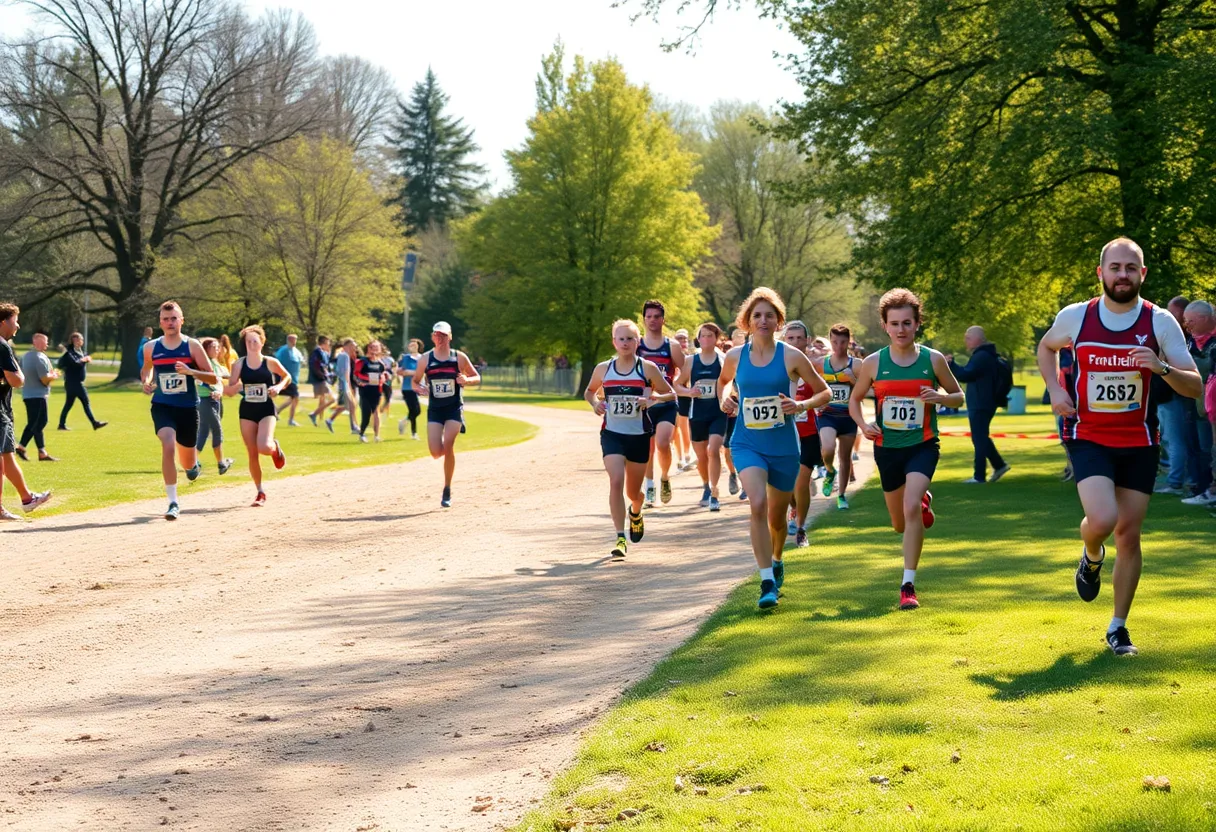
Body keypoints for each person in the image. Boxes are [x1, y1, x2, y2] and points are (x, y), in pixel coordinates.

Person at [1037, 237, 1201, 656]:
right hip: (1088, 434)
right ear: (1101, 273)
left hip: (1139, 440)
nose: (1122, 275)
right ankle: (1091, 554)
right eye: (1115, 267)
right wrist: (1056, 389)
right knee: (1104, 518)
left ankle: (1118, 626)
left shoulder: (1160, 321)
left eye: (1131, 268)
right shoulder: (1076, 316)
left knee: (1129, 536)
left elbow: (1195, 384)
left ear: (1142, 274)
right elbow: (1046, 346)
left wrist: (1161, 367)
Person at [850, 288, 964, 612]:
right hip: (887, 449)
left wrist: (940, 398)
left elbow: (959, 395)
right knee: (899, 523)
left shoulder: (933, 359)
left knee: (910, 507)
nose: (901, 329)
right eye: (895, 323)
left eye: (907, 323)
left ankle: (907, 584)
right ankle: (921, 502)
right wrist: (863, 425)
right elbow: (855, 400)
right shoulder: (873, 364)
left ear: (917, 324)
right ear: (885, 326)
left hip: (923, 446)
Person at [719, 288, 829, 609]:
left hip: (783, 446)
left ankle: (777, 560)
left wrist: (801, 403)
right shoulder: (735, 355)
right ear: (747, 321)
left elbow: (824, 394)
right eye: (757, 315)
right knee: (756, 505)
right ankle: (766, 580)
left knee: (778, 520)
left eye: (769, 315)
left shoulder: (792, 356)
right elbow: (723, 381)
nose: (763, 320)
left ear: (778, 320)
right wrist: (725, 396)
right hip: (747, 442)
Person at [584, 319, 675, 558]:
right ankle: (620, 537)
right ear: (614, 342)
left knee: (633, 493)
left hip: (639, 436)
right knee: (616, 480)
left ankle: (636, 509)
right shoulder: (604, 368)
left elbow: (671, 394)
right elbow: (589, 391)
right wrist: (595, 404)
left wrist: (652, 398)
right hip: (612, 434)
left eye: (630, 339)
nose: (625, 343)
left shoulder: (647, 368)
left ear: (638, 342)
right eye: (621, 339)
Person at [141, 300, 217, 520]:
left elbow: (211, 376)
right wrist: (146, 382)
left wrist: (190, 371)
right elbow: (146, 369)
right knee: (167, 444)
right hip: (162, 406)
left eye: (174, 318)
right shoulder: (151, 347)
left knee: (188, 464)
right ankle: (173, 502)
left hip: (187, 408)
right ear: (160, 322)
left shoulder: (192, 345)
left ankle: (193, 465)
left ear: (181, 320)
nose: (170, 322)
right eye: (165, 319)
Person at [412, 321, 481, 507]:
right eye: (436, 335)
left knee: (449, 444)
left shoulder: (458, 357)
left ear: (450, 336)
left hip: (453, 407)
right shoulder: (425, 359)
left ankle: (447, 488)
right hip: (435, 409)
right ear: (432, 337)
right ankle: (446, 461)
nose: (440, 338)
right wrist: (420, 389)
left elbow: (477, 377)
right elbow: (415, 382)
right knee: (435, 452)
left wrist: (466, 379)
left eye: (443, 335)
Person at [223, 325, 289, 506]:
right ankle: (260, 492)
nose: (251, 344)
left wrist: (278, 387)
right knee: (252, 452)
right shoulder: (238, 364)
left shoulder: (270, 362)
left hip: (266, 408)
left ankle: (275, 448)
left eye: (254, 341)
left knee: (264, 446)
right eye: (248, 341)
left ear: (262, 342)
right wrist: (232, 387)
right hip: (247, 410)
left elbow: (287, 376)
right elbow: (230, 387)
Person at [0, 303, 52, 518]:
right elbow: (16, 380)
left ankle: (13, 503)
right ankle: (27, 498)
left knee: (4, 459)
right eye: (15, 320)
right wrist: (16, 374)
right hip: (0, 410)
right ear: (3, 321)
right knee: (5, 456)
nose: (18, 325)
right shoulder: (2, 346)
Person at [946, 326, 1011, 484]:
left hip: (981, 403)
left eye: (968, 337)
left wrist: (951, 364)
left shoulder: (982, 356)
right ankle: (999, 465)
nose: (965, 340)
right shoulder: (985, 355)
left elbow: (965, 375)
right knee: (981, 437)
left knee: (979, 438)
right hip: (984, 402)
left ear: (979, 339)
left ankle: (979, 476)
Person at [638, 300, 686, 506]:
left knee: (663, 444)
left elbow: (686, 372)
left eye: (656, 317)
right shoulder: (636, 345)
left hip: (666, 402)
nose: (652, 320)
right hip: (644, 404)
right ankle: (649, 486)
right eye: (648, 317)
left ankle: (665, 476)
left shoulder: (672, 346)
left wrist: (678, 387)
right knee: (647, 449)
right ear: (643, 319)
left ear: (663, 320)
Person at [677, 322, 727, 512]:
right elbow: (677, 385)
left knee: (713, 450)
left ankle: (714, 492)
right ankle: (706, 485)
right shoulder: (691, 361)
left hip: (717, 413)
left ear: (717, 339)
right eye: (703, 336)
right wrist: (689, 391)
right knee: (701, 457)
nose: (706, 339)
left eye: (710, 336)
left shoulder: (723, 359)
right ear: (698, 339)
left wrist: (726, 396)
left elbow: (730, 382)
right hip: (696, 414)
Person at [782, 321, 821, 547]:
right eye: (791, 338)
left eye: (799, 338)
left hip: (807, 433)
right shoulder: (777, 365)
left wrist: (806, 404)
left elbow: (824, 392)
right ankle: (794, 508)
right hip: (783, 434)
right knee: (786, 487)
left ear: (807, 340)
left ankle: (801, 527)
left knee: (802, 480)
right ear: (784, 340)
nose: (796, 342)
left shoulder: (814, 366)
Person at [817, 324, 859, 509]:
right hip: (828, 414)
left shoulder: (857, 365)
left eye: (843, 342)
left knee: (845, 457)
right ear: (830, 339)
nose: (838, 346)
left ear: (848, 342)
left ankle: (841, 495)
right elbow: (810, 385)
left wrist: (853, 380)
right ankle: (829, 470)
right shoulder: (820, 363)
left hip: (848, 416)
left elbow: (866, 391)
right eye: (834, 342)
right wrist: (818, 400)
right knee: (827, 448)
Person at [1180, 300, 1215, 506]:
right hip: (1196, 404)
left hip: (1208, 404)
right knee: (1198, 447)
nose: (1187, 325)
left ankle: (1208, 490)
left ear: (1203, 318)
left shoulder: (1211, 343)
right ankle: (1202, 488)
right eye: (1185, 321)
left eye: (1190, 320)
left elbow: (1203, 369)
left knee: (1208, 448)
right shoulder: (1191, 341)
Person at [16, 332, 60, 462]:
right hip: (38, 395)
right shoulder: (39, 358)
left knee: (37, 423)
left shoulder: (26, 356)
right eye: (46, 341)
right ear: (38, 342)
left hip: (28, 394)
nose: (47, 343)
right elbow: (44, 380)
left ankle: (41, 452)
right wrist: (55, 376)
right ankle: (21, 446)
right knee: (37, 423)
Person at [195, 338, 234, 476]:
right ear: (205, 349)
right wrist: (216, 389)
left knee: (204, 432)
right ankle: (221, 463)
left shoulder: (216, 363)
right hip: (205, 400)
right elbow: (201, 381)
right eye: (213, 347)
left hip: (215, 401)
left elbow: (224, 377)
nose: (217, 349)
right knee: (217, 430)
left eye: (218, 347)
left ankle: (192, 463)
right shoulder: (203, 364)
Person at [57, 332, 107, 431]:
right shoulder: (69, 353)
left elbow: (81, 360)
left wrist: (86, 358)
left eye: (79, 340)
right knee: (86, 402)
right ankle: (94, 423)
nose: (78, 342)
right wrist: (84, 360)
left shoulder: (80, 352)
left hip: (74, 383)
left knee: (68, 404)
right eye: (75, 340)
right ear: (72, 341)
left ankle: (61, 424)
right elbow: (75, 363)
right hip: (74, 383)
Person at [724, 327, 747, 499]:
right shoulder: (731, 357)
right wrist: (726, 397)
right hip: (734, 408)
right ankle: (733, 474)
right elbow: (723, 382)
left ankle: (748, 482)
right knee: (728, 447)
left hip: (754, 409)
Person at [354, 340, 386, 443]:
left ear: (380, 349)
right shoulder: (362, 362)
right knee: (366, 413)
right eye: (372, 347)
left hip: (376, 391)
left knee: (376, 412)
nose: (374, 349)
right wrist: (360, 381)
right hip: (365, 391)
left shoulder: (381, 363)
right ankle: (362, 434)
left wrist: (383, 379)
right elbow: (355, 375)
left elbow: (383, 375)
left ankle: (376, 436)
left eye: (377, 347)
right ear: (368, 348)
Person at [326, 339, 359, 434]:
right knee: (351, 405)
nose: (355, 347)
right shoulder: (344, 356)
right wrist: (347, 385)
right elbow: (343, 372)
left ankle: (330, 420)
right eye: (353, 345)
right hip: (344, 384)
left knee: (349, 405)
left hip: (346, 384)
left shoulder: (346, 356)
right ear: (347, 346)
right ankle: (354, 427)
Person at [673, 328, 695, 471]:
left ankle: (687, 454)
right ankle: (681, 456)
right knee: (675, 428)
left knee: (685, 425)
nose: (682, 341)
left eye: (684, 339)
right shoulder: (672, 356)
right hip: (672, 393)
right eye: (679, 338)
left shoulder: (691, 356)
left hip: (685, 394)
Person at [273, 333, 304, 426]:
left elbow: (300, 361)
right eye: (292, 340)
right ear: (288, 340)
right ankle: (284, 416)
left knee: (294, 398)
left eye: (295, 340)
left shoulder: (297, 351)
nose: (294, 342)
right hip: (283, 378)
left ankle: (278, 411)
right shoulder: (283, 351)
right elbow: (276, 364)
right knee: (294, 397)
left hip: (293, 379)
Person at [396, 338, 423, 439]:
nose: (413, 347)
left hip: (418, 387)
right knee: (415, 410)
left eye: (415, 345)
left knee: (415, 411)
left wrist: (411, 372)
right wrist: (406, 372)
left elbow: (424, 372)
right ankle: (414, 433)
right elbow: (399, 371)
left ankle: (403, 422)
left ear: (418, 346)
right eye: (411, 345)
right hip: (407, 388)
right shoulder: (406, 358)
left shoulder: (422, 358)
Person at [307, 335, 334, 426]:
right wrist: (322, 375)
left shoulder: (323, 353)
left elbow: (324, 366)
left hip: (323, 379)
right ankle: (314, 414)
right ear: (323, 343)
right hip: (320, 379)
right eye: (327, 343)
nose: (329, 345)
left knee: (322, 399)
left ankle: (318, 418)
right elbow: (315, 366)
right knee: (332, 399)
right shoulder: (317, 352)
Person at [379, 347, 395, 416]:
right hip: (382, 379)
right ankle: (381, 410)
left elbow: (393, 369)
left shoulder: (390, 360)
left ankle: (383, 410)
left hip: (387, 379)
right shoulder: (380, 359)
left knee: (388, 396)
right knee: (386, 395)